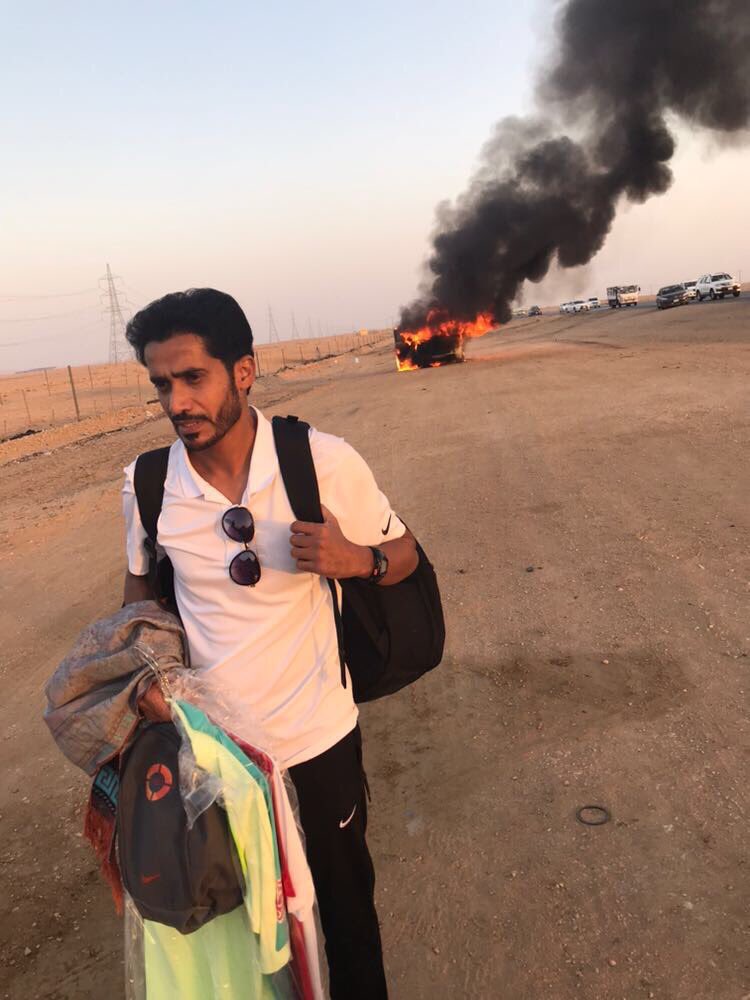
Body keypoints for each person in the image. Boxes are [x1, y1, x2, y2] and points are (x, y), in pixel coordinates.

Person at [121, 288, 417, 999]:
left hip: (318, 739)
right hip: (215, 759)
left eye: (193, 378)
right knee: (245, 932)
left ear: (244, 371)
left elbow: (404, 553)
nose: (177, 402)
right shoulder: (149, 483)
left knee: (346, 921)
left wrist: (358, 560)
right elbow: (138, 596)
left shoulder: (320, 461)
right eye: (162, 384)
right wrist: (149, 673)